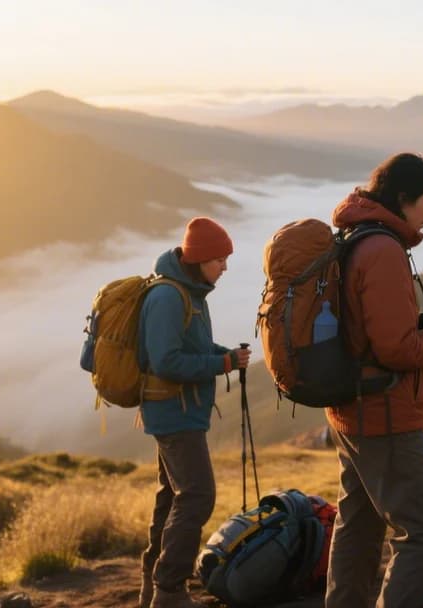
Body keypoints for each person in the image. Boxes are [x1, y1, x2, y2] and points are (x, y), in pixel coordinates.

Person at [324, 152, 423, 608]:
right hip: (385, 414)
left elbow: (366, 327)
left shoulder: (354, 236)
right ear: (402, 199)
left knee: (360, 524)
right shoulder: (384, 249)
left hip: (351, 409)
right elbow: (396, 351)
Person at [138, 217, 250, 608]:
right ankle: (169, 590)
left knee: (171, 500)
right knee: (198, 495)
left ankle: (153, 590)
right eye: (219, 259)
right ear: (200, 258)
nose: (224, 267)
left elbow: (190, 345)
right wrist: (221, 365)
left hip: (179, 412)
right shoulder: (169, 298)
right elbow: (167, 361)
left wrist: (226, 356)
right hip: (173, 414)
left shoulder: (190, 293)